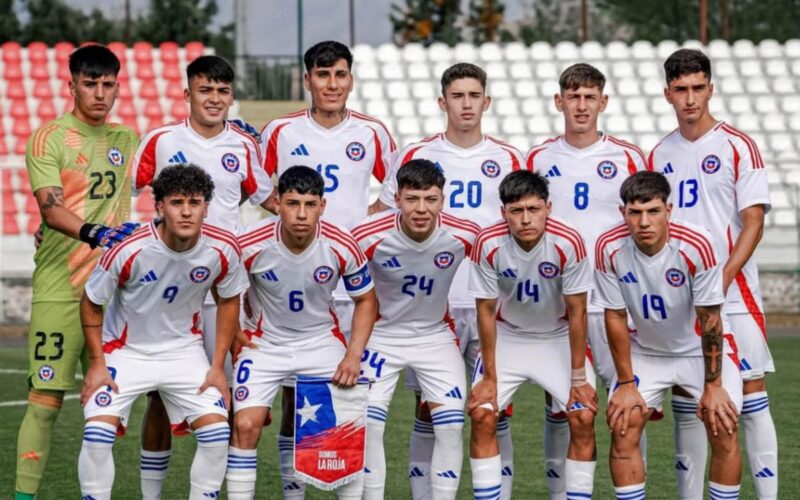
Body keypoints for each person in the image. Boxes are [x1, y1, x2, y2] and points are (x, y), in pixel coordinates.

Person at [370, 62, 526, 499]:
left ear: (487, 101)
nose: (466, 104)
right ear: (443, 102)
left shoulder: (508, 157)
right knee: (429, 408)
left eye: (474, 96)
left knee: (492, 409)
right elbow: (382, 218)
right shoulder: (416, 154)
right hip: (429, 305)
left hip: (488, 302)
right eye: (457, 96)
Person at [129, 54, 275, 499]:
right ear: (187, 92)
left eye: (223, 91)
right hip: (166, 292)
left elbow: (271, 201)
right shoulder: (160, 140)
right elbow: (124, 193)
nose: (214, 99)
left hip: (223, 291)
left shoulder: (244, 146)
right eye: (205, 90)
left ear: (232, 97)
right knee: (157, 396)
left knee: (227, 394)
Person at [259, 41, 395, 497]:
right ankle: (294, 490)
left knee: (354, 392)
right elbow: (259, 187)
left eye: (340, 75)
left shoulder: (372, 132)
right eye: (322, 75)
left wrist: (362, 224)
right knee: (293, 393)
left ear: (350, 79)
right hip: (297, 275)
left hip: (353, 280)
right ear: (307, 80)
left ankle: (350, 487)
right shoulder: (280, 130)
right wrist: (290, 225)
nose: (331, 84)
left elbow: (396, 190)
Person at [649, 48, 777, 499]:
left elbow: (754, 220)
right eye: (681, 89)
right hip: (681, 295)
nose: (690, 98)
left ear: (711, 89)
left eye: (698, 88)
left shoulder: (737, 145)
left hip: (734, 292)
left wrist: (723, 276)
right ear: (668, 93)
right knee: (691, 399)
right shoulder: (659, 152)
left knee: (751, 396)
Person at [15, 44, 139, 500]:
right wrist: (93, 232)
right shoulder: (48, 137)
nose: (100, 93)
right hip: (60, 290)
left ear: (118, 87)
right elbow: (51, 210)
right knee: (45, 405)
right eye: (90, 84)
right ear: (72, 86)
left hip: (113, 295)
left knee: (107, 407)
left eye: (108, 84)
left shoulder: (127, 139)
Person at [77, 164, 245, 500]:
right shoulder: (128, 248)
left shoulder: (223, 248)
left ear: (206, 207)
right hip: (124, 353)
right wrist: (96, 363)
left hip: (184, 354)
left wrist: (216, 368)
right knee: (97, 435)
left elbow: (228, 301)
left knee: (215, 434)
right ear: (159, 206)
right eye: (176, 202)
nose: (186, 211)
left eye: (194, 203)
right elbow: (91, 302)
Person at [525, 63, 647, 497]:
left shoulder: (629, 156)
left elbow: (644, 219)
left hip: (617, 302)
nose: (581, 105)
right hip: (562, 306)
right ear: (559, 102)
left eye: (589, 97)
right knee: (564, 408)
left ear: (603, 102)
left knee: (627, 408)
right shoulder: (538, 158)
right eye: (573, 97)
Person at [225, 166, 378, 499]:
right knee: (245, 425)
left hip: (321, 342)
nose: (301, 214)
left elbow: (366, 300)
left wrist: (354, 355)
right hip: (264, 345)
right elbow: (221, 286)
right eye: (293, 203)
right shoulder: (249, 244)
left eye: (310, 204)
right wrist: (236, 334)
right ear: (277, 202)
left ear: (322, 205)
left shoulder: (341, 244)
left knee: (343, 433)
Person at [594, 170, 743, 500]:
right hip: (646, 351)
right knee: (623, 423)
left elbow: (710, 319)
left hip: (697, 349)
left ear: (668, 211)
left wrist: (713, 386)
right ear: (624, 214)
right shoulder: (608, 247)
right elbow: (615, 317)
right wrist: (626, 385)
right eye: (635, 212)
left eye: (653, 211)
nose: (644, 222)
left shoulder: (696, 243)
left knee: (723, 425)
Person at [352, 159, 479, 499]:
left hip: (435, 336)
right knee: (370, 426)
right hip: (382, 336)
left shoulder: (465, 234)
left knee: (451, 426)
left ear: (442, 200)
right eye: (412, 199)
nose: (421, 209)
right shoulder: (366, 235)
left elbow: (499, 267)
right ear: (396, 198)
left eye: (430, 199)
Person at [469, 170, 598, 500]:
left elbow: (577, 312)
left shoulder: (569, 242)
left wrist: (578, 377)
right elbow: (484, 310)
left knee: (583, 416)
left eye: (533, 209)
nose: (526, 219)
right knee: (483, 414)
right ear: (504, 213)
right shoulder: (488, 242)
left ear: (548, 208)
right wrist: (489, 376)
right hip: (508, 336)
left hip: (556, 336)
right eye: (516, 211)